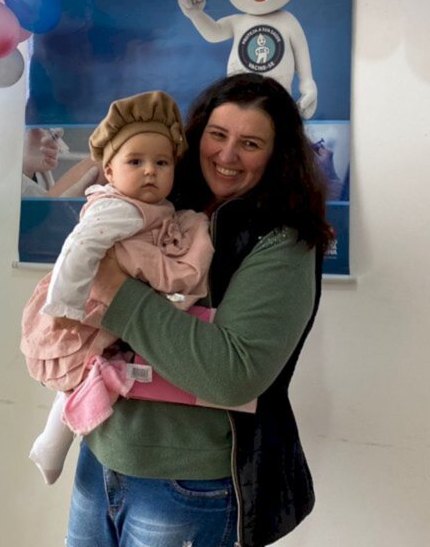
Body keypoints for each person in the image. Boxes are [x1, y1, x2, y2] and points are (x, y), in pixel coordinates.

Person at [66, 73, 331, 547]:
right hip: (100, 455)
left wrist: (114, 289)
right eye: (218, 135)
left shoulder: (281, 241)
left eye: (250, 143)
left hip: (187, 485)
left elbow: (232, 373)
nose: (227, 156)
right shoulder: (160, 202)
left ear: (277, 155)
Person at [21, 91, 214, 485]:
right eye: (136, 162)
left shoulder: (149, 208)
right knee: (80, 370)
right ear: (109, 172)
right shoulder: (118, 208)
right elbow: (78, 249)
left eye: (161, 163)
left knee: (95, 371)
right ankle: (50, 445)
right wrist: (66, 307)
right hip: (87, 307)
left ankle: (51, 445)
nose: (150, 172)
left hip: (109, 306)